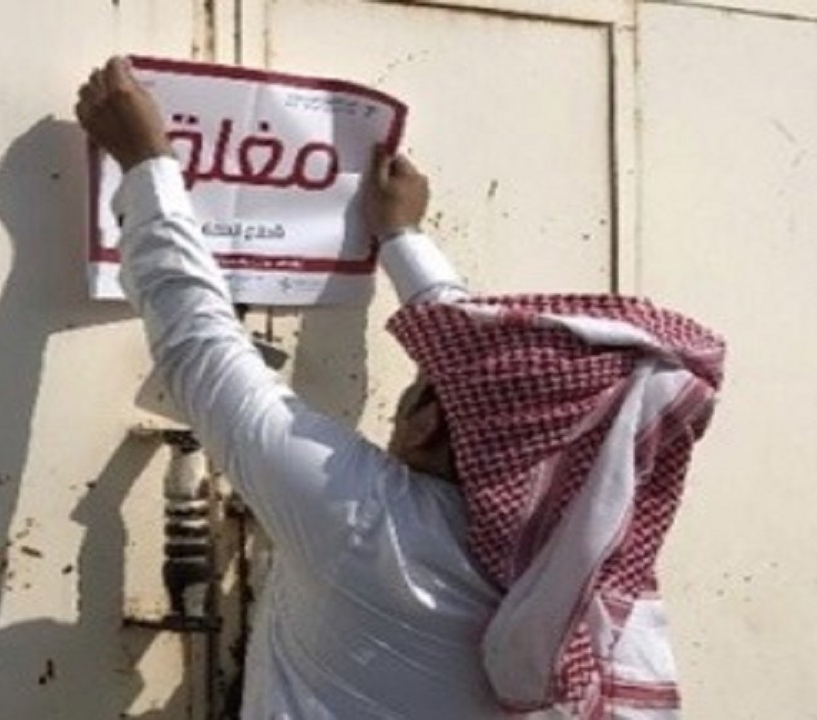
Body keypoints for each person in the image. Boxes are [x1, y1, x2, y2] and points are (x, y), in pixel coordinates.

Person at [75, 57, 724, 719]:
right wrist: (403, 239)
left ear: (426, 424)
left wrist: (147, 164)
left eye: (421, 385)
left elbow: (199, 344)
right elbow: (491, 389)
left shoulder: (368, 522)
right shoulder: (584, 575)